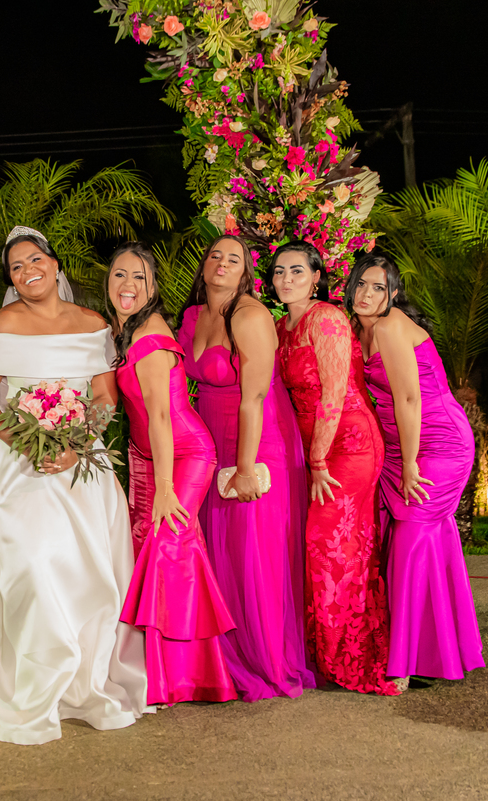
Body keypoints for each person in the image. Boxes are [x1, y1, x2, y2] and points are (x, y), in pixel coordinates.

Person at [0, 226, 147, 745]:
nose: (28, 271)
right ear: (11, 280)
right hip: (14, 460)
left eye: (35, 260)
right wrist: (28, 442)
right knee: (29, 565)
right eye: (16, 267)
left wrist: (78, 442)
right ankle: (29, 679)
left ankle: (83, 680)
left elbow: (104, 398)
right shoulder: (1, 325)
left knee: (86, 571)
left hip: (80, 460)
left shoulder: (94, 325)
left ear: (55, 265)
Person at [178, 234, 316, 701]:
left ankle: (265, 660)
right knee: (221, 552)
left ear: (245, 272)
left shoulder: (250, 315)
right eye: (215, 255)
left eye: (233, 258)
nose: (222, 263)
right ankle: (222, 657)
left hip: (256, 440)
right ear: (203, 265)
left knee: (253, 551)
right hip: (211, 439)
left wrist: (244, 468)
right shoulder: (193, 316)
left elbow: (254, 397)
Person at [106, 242, 238, 706]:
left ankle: (182, 679)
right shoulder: (123, 331)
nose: (127, 285)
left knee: (169, 550)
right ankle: (157, 671)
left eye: (139, 277)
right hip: (148, 456)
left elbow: (161, 418)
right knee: (147, 550)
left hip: (184, 455)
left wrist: (164, 488)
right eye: (120, 274)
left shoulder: (150, 337)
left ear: (153, 287)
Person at [347, 254, 484, 685]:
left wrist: (409, 465)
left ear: (393, 294)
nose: (367, 294)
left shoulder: (389, 326)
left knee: (411, 539)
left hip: (437, 443)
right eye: (362, 284)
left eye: (379, 288)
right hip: (400, 445)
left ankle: (404, 663)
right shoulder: (357, 329)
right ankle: (438, 654)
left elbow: (409, 398)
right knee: (419, 541)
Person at [270, 241, 398, 696]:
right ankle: (322, 655)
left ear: (316, 278)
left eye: (297, 271)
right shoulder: (281, 325)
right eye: (279, 271)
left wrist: (319, 459)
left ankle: (354, 657)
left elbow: (333, 393)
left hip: (348, 444)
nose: (286, 279)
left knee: (330, 547)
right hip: (312, 450)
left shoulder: (327, 318)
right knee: (326, 548)